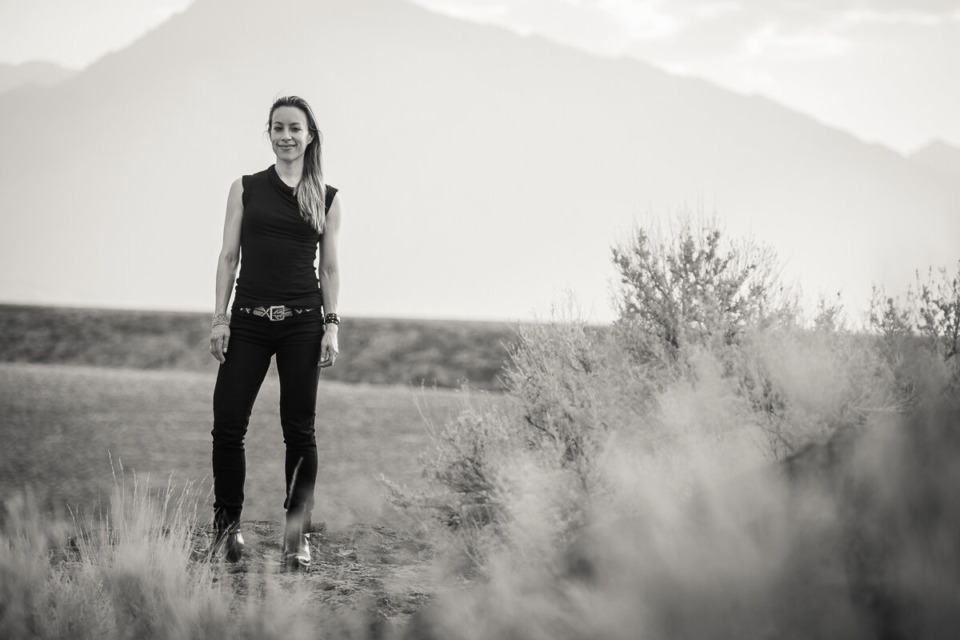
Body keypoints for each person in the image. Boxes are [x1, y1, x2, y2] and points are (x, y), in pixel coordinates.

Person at [208, 95, 342, 568]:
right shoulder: (244, 188)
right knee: (227, 425)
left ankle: (295, 535)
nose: (286, 136)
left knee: (299, 430)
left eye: (295, 129)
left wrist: (331, 325)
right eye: (278, 128)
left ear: (310, 136)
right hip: (247, 321)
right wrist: (220, 318)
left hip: (303, 325)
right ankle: (228, 531)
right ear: (269, 133)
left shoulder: (326, 196)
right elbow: (229, 257)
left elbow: (328, 268)